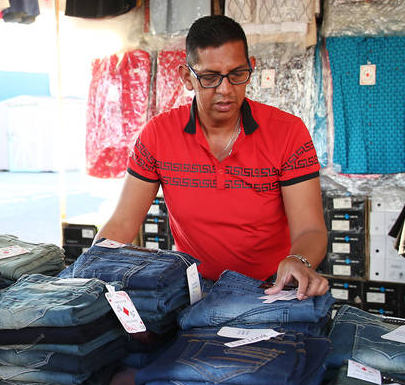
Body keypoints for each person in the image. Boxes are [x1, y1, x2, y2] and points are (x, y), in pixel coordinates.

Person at [98, 15, 329, 299]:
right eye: (209, 78)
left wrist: (299, 261)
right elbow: (122, 223)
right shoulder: (157, 135)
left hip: (273, 288)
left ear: (252, 68)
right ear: (186, 77)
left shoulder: (289, 133)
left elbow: (311, 230)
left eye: (237, 74)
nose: (225, 90)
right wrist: (91, 267)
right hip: (193, 289)